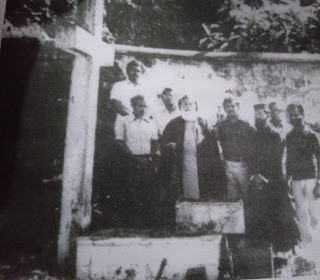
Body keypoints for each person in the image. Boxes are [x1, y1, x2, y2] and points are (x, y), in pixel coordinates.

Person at [249, 104, 300, 254]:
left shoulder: (275, 135)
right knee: (263, 216)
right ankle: (268, 251)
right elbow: (251, 157)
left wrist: (262, 177)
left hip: (275, 181)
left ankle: (289, 250)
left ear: (267, 115)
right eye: (256, 114)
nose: (258, 117)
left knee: (283, 215)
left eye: (261, 114)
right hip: (258, 182)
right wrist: (254, 175)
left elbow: (275, 161)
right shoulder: (253, 134)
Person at [161, 94, 226, 200]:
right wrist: (173, 147)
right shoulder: (173, 124)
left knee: (201, 191)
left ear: (195, 106)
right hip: (181, 163)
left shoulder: (202, 122)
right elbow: (165, 143)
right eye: (185, 104)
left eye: (191, 104)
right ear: (180, 106)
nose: (188, 106)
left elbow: (212, 145)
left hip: (200, 163)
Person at [114, 95, 158, 227]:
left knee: (148, 191)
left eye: (145, 106)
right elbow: (119, 141)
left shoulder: (151, 122)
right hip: (131, 160)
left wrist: (150, 157)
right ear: (133, 106)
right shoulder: (124, 120)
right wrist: (134, 159)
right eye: (140, 106)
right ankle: (132, 223)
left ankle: (148, 223)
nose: (143, 109)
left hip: (147, 160)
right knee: (132, 191)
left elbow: (155, 141)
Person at [286, 103, 320, 245]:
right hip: (296, 179)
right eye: (291, 116)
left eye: (297, 115)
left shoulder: (312, 135)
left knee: (314, 211)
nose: (294, 118)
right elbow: (289, 159)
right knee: (301, 211)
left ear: (303, 115)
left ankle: (317, 241)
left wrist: (319, 183)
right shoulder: (289, 136)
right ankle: (307, 241)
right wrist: (288, 179)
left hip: (311, 178)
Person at [218, 97, 255, 202]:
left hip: (243, 164)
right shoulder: (222, 126)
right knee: (232, 196)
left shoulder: (246, 124)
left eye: (233, 106)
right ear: (224, 109)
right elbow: (220, 142)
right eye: (227, 106)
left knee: (247, 194)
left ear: (238, 107)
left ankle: (248, 218)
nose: (230, 108)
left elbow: (254, 144)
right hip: (228, 164)